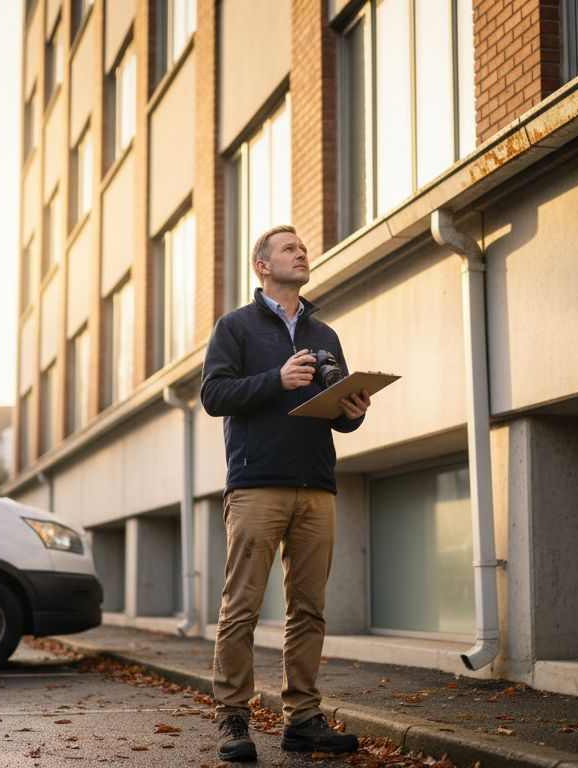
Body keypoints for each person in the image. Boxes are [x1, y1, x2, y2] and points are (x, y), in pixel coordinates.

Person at [200, 224, 371, 762]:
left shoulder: (325, 334)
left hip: (316, 487)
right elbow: (213, 394)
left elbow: (335, 415)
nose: (302, 254)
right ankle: (233, 718)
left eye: (303, 249)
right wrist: (276, 379)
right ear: (263, 267)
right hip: (256, 485)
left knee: (309, 609)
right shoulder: (236, 328)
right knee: (242, 606)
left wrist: (353, 412)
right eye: (289, 249)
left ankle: (303, 719)